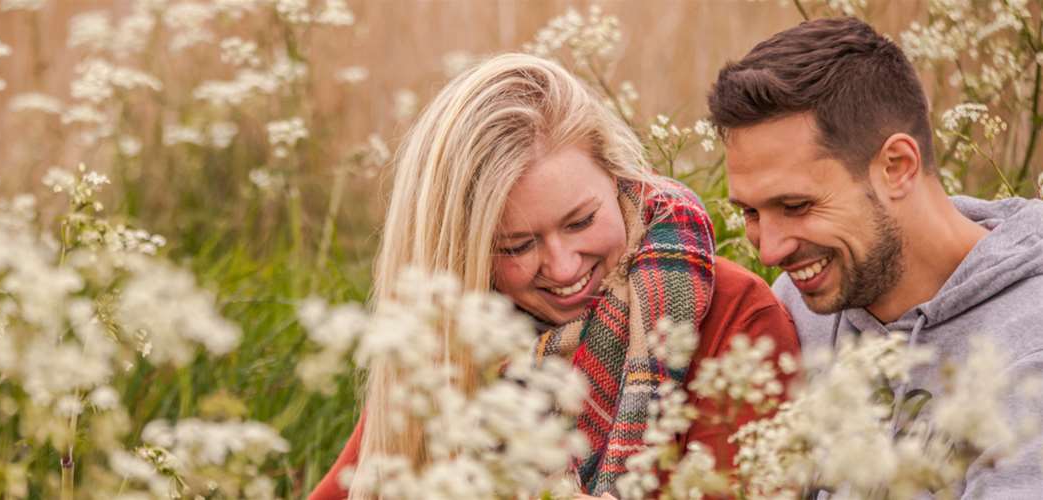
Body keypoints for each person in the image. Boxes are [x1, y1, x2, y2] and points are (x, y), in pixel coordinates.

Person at [311, 53, 799, 499]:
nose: (565, 268)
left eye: (581, 221)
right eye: (516, 246)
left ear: (616, 177)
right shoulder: (448, 347)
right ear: (466, 253)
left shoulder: (734, 317)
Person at [709, 16, 1043, 498]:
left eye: (796, 206)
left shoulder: (1028, 347)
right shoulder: (798, 307)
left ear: (897, 167)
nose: (770, 249)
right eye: (750, 212)